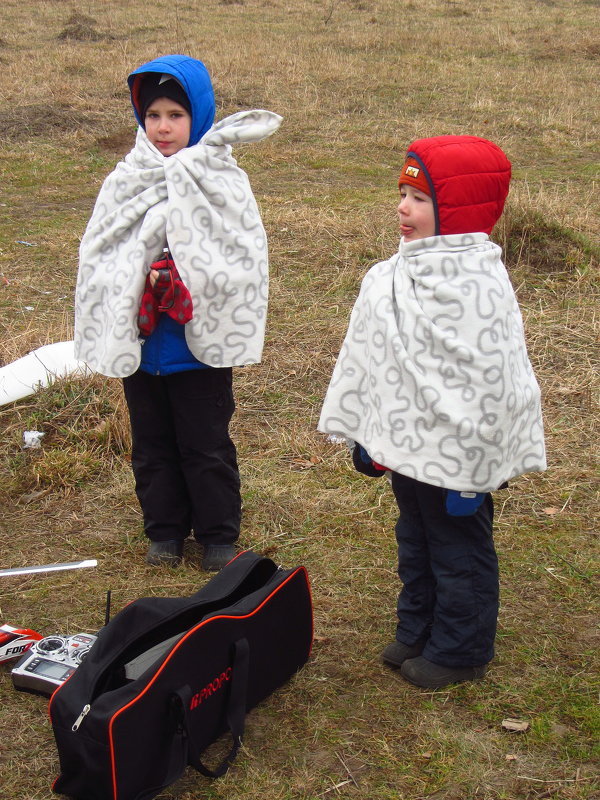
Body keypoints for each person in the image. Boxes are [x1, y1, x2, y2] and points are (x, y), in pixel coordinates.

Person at [318, 136, 546, 688]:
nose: (402, 208)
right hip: (408, 445)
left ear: (457, 211)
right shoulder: (393, 275)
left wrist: (473, 453)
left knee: (456, 544)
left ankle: (460, 649)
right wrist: (371, 436)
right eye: (401, 193)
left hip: (458, 452)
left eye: (419, 198)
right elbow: (376, 362)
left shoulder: (478, 286)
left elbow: (489, 380)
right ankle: (418, 627)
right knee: (414, 534)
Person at [74, 54, 282, 570]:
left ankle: (217, 534)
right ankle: (164, 531)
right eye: (153, 116)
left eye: (176, 115)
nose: (163, 128)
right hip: (142, 343)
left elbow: (242, 255)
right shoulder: (127, 178)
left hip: (197, 345)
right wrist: (133, 277)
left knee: (205, 443)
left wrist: (188, 276)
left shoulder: (221, 179)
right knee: (151, 444)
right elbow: (100, 253)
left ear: (200, 116)